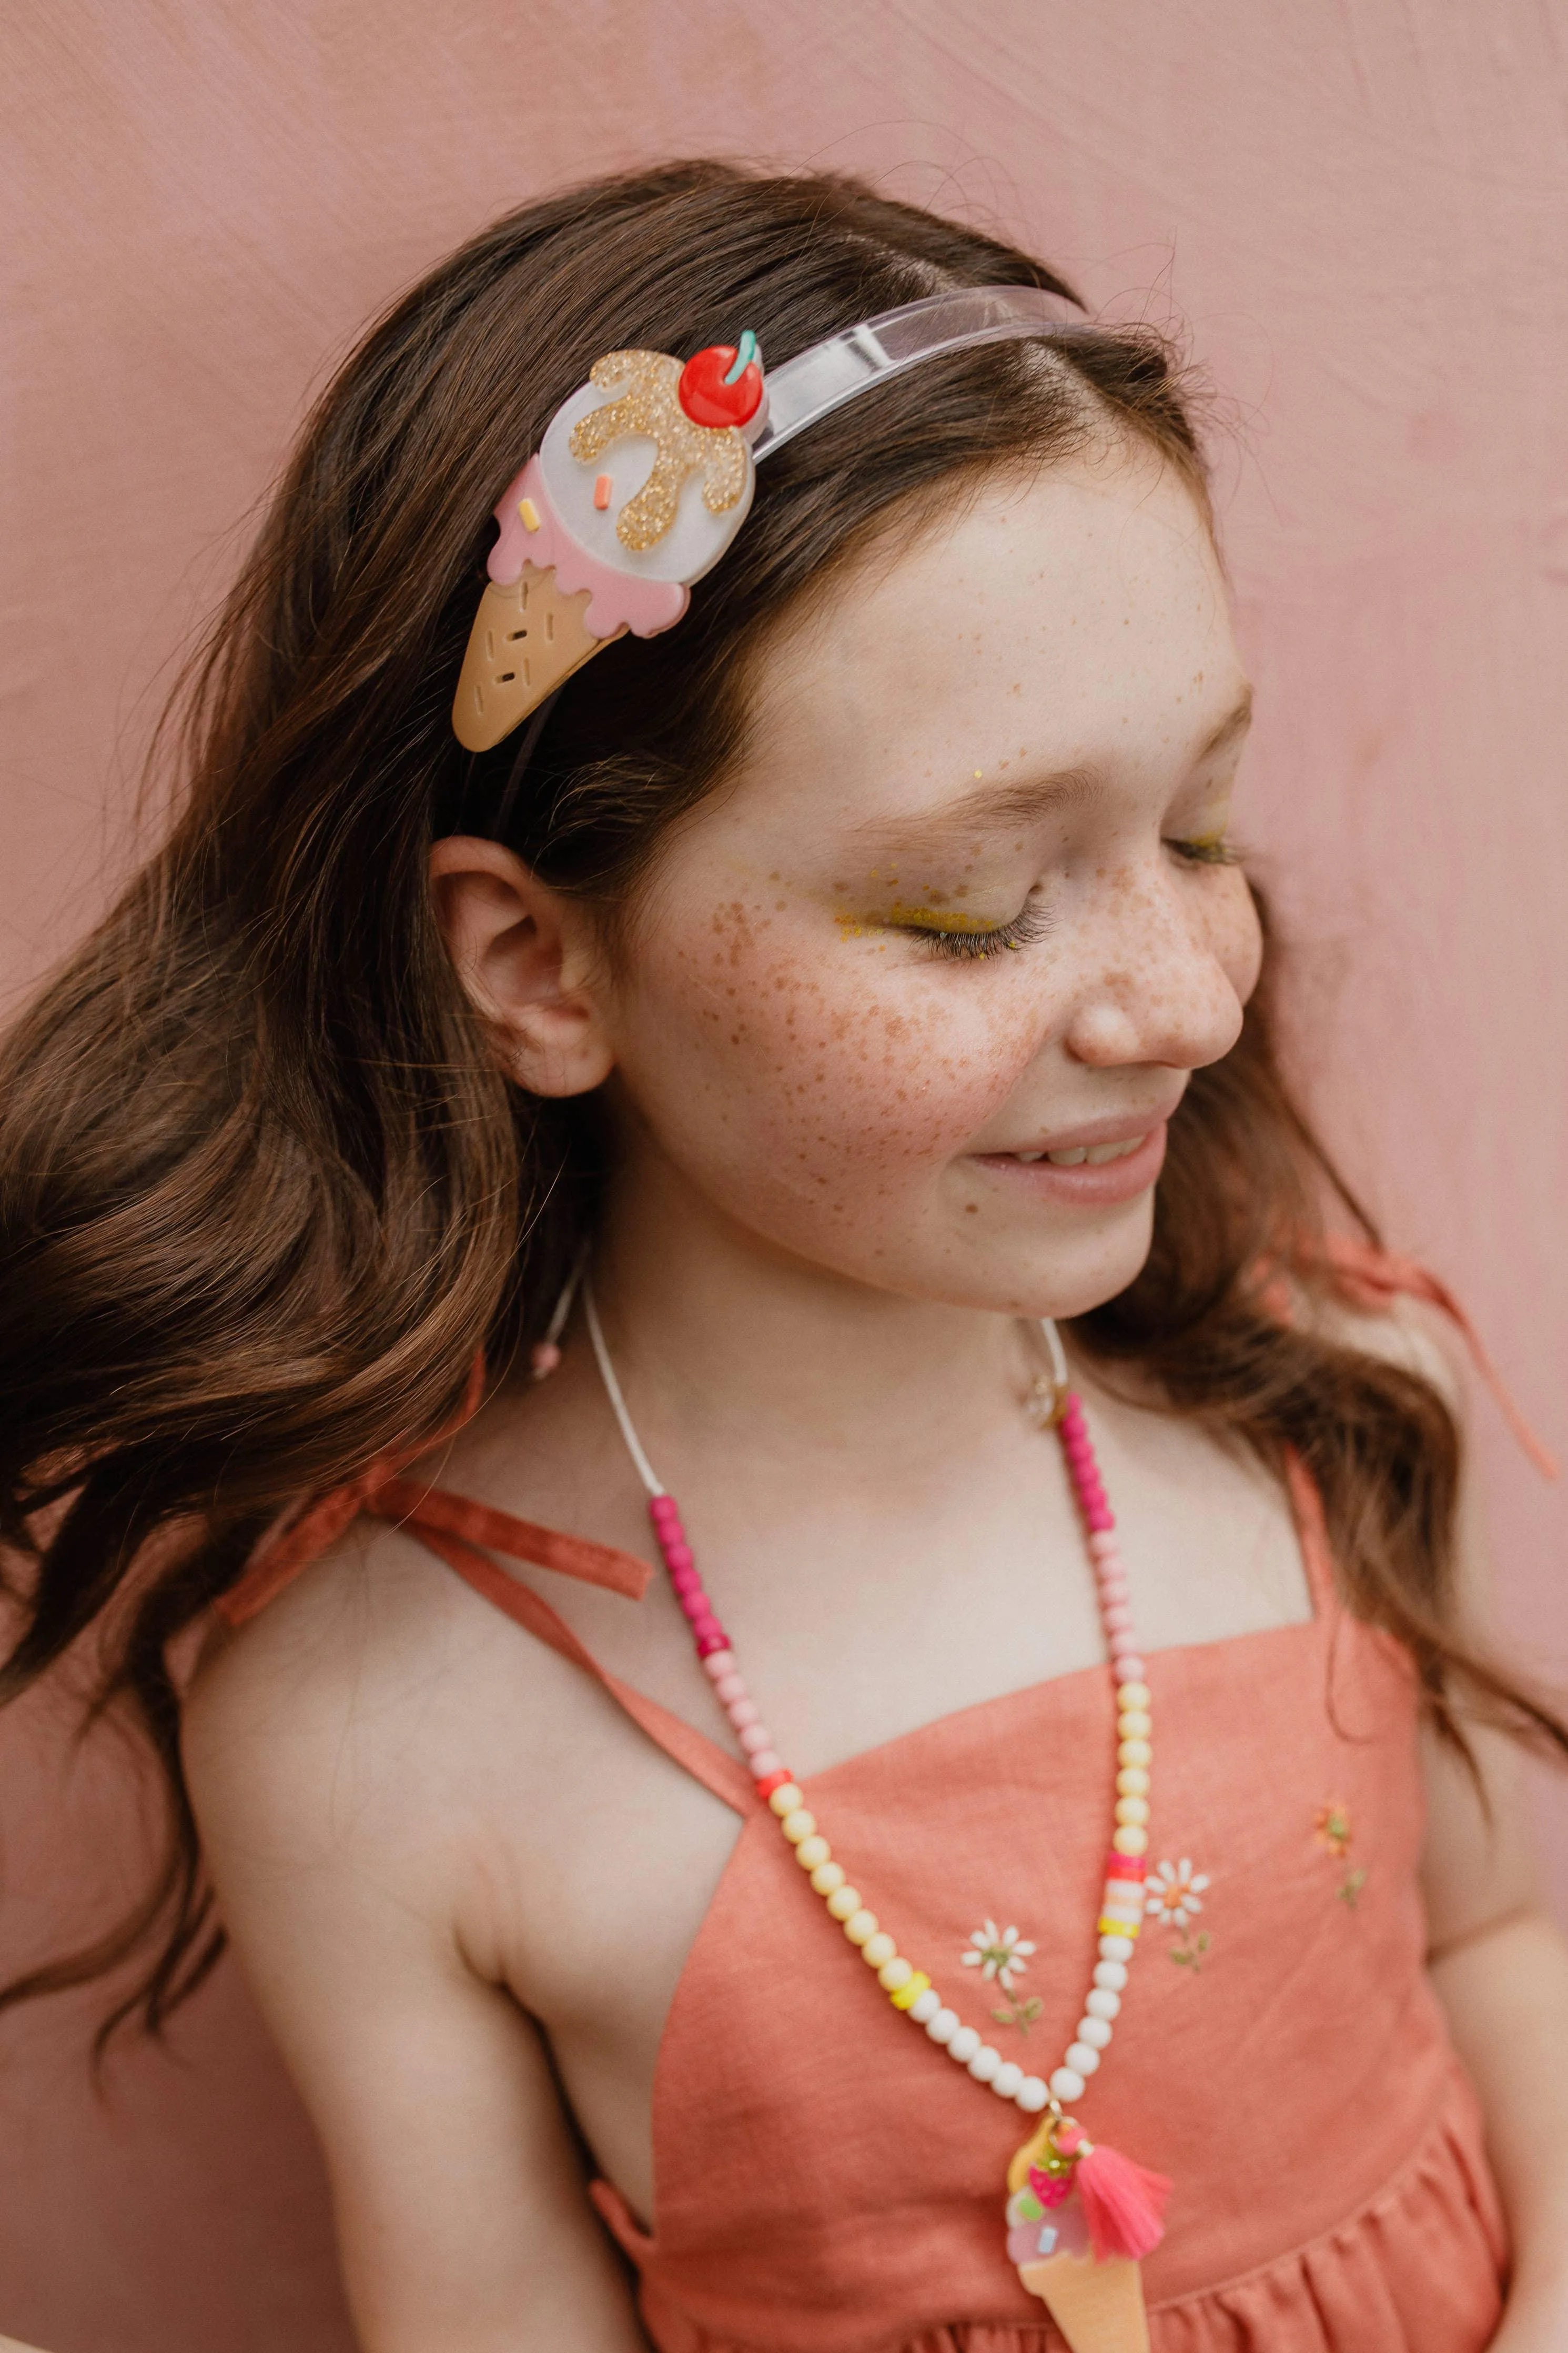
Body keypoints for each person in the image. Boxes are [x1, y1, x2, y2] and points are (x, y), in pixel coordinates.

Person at [2, 159, 1565, 2353]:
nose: (1188, 997)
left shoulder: (1334, 1404)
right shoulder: (378, 1724)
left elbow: (1515, 1944)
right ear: (539, 963)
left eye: (1197, 826)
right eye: (968, 902)